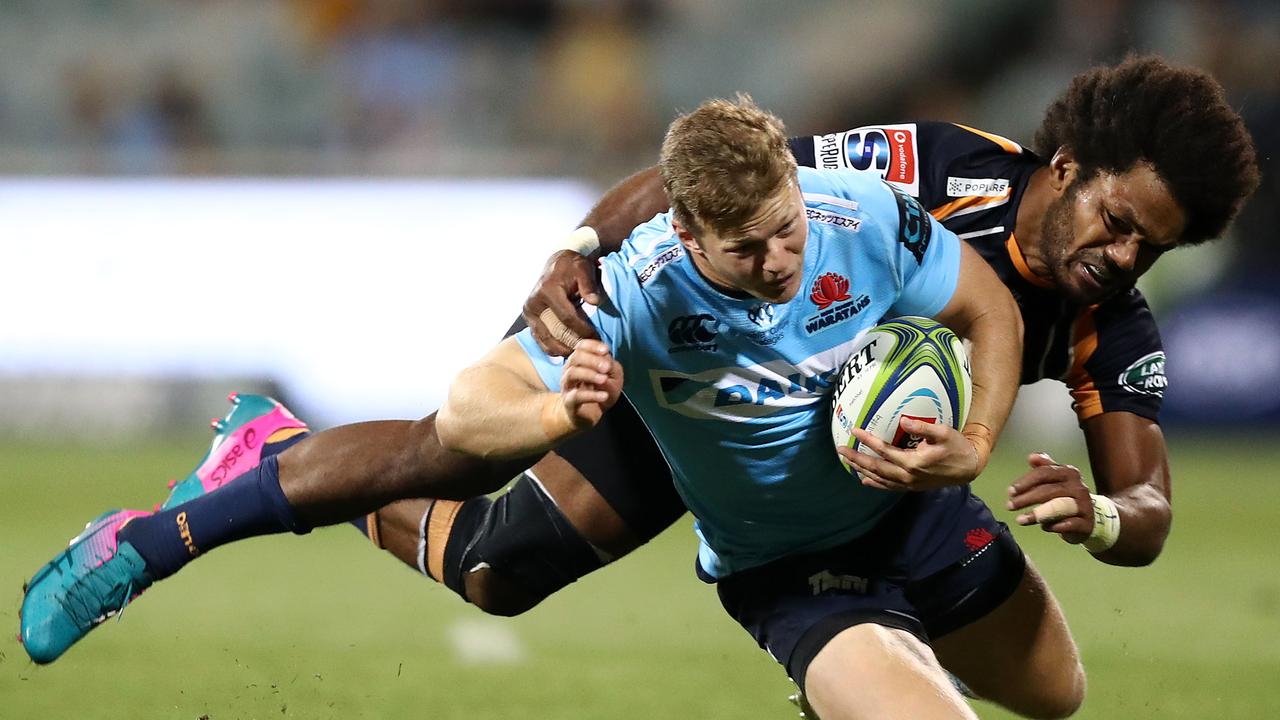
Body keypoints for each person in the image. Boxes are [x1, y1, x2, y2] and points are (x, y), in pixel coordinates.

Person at [19, 54, 1257, 718]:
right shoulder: (918, 174)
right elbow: (717, 188)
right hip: (705, 401)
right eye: (1119, 221)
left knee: (1056, 694)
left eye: (1152, 249)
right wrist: (573, 256)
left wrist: (1087, 510)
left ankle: (870, 642)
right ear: (1074, 162)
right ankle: (254, 480)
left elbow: (1141, 507)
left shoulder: (1108, 324)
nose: (1124, 257)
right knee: (485, 530)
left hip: (883, 482)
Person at [432, 93, 1063, 720]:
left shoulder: (865, 212)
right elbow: (464, 412)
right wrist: (559, 416)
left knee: (1056, 695)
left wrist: (977, 442)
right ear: (688, 233)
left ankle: (875, 678)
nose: (779, 261)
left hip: (920, 513)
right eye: (745, 249)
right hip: (788, 565)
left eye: (787, 228)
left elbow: (990, 310)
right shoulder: (633, 287)